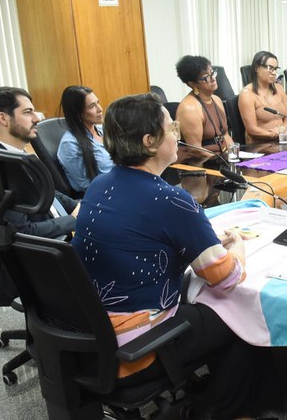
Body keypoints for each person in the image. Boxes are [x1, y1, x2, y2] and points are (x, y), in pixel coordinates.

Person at [74, 93, 259, 418]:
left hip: (89, 335)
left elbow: (137, 240)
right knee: (239, 312)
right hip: (134, 348)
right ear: (149, 141)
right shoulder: (173, 199)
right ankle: (215, 410)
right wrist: (238, 248)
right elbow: (226, 279)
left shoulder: (99, 185)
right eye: (171, 127)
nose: (177, 133)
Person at [0, 87, 78, 238]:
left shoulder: (17, 155)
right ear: (3, 119)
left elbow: (48, 193)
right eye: (28, 112)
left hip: (63, 228)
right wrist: (74, 220)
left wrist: (78, 207)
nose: (37, 118)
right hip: (55, 247)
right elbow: (23, 231)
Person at [56, 85, 114, 193]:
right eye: (92, 106)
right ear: (78, 113)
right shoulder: (70, 144)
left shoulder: (103, 130)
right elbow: (87, 186)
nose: (100, 109)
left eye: (98, 102)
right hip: (105, 195)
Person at [175, 55, 232, 154]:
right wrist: (223, 160)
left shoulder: (217, 100)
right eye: (206, 77)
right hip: (202, 163)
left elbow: (225, 135)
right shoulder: (189, 108)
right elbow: (195, 150)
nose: (213, 78)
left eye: (212, 73)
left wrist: (235, 157)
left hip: (223, 159)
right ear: (192, 84)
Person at [238, 51, 287, 144]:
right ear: (257, 68)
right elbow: (252, 130)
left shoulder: (279, 88)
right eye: (270, 68)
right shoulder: (247, 94)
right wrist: (281, 135)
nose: (274, 73)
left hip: (281, 142)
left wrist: (282, 129)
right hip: (260, 147)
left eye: (276, 69)